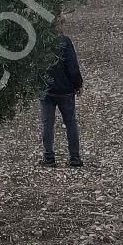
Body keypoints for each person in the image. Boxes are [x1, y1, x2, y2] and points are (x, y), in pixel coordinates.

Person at [40, 29, 84, 168]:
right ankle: (74, 157)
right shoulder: (65, 42)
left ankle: (49, 157)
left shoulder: (39, 42)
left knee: (47, 124)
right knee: (70, 122)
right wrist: (78, 84)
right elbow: (72, 66)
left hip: (46, 89)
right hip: (65, 90)